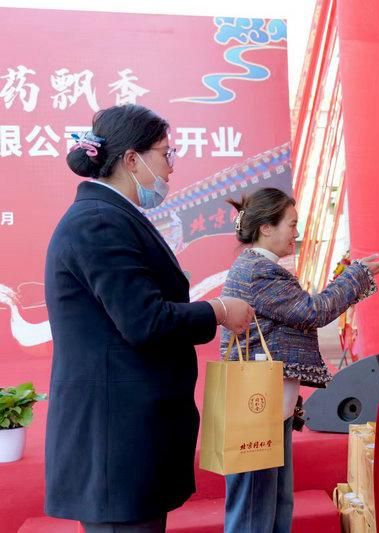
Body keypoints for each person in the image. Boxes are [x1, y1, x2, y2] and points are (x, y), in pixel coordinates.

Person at [44, 104, 254, 532]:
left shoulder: (112, 215)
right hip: (115, 442)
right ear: (131, 159)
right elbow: (144, 321)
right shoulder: (99, 222)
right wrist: (217, 311)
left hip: (129, 438)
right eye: (165, 153)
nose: (171, 166)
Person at [220, 187, 379, 532]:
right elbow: (312, 311)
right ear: (266, 227)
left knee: (272, 504)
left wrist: (353, 277)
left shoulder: (256, 267)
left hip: (265, 403)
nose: (296, 233)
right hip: (257, 405)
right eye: (292, 224)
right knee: (255, 509)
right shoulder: (259, 271)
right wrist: (355, 276)